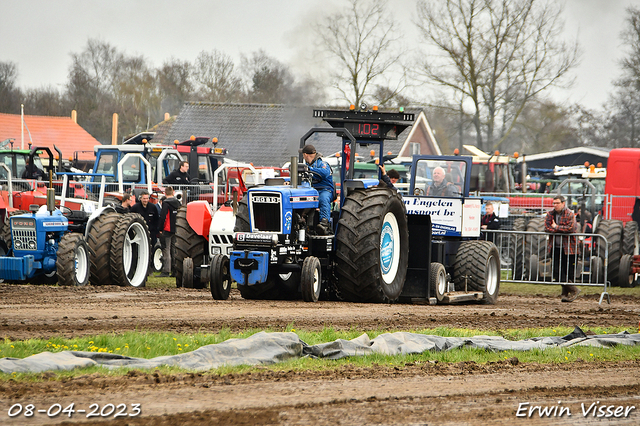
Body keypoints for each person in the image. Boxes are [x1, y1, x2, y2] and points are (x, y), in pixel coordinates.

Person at [545, 195, 580, 302]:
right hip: (555, 247)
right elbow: (546, 228)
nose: (555, 205)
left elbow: (571, 228)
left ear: (563, 203)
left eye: (557, 203)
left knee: (568, 272)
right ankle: (574, 290)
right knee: (557, 272)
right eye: (554, 203)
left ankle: (566, 294)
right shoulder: (550, 214)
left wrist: (556, 227)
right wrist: (559, 229)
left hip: (569, 248)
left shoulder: (569, 214)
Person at [300, 144, 334, 235]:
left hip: (325, 189)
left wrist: (309, 169)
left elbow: (325, 172)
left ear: (305, 155)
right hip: (312, 190)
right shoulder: (306, 165)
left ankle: (324, 223)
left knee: (323, 198)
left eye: (303, 155)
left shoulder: (322, 163)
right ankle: (302, 220)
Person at [158, 187, 181, 277]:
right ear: (173, 192)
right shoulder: (178, 203)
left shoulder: (166, 203)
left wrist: (160, 228)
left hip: (167, 229)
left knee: (166, 249)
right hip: (176, 228)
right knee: (173, 250)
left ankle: (166, 270)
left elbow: (163, 216)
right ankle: (175, 270)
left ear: (165, 193)